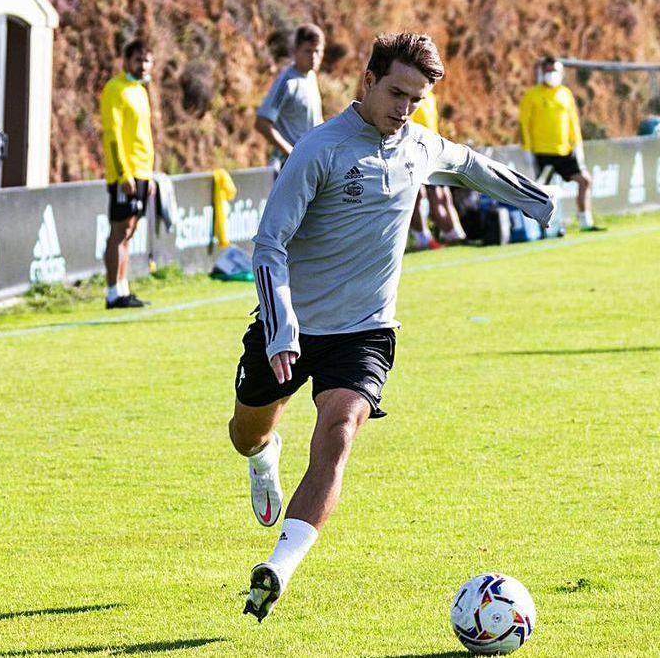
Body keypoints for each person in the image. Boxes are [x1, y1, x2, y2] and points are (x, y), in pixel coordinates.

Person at [230, 32, 556, 622]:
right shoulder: (319, 150)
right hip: (294, 326)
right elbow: (269, 244)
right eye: (397, 93)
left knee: (341, 428)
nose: (404, 109)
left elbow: (468, 165)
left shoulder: (417, 145)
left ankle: (278, 567)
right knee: (245, 432)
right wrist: (281, 328)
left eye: (416, 99)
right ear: (367, 82)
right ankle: (262, 455)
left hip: (365, 329)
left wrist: (536, 200)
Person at [100, 39, 156, 309]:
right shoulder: (115, 89)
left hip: (143, 172)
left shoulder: (141, 91)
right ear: (126, 60)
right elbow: (113, 134)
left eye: (147, 61)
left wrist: (150, 174)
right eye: (138, 60)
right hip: (127, 173)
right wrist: (124, 174)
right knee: (119, 231)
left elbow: (143, 136)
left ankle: (123, 288)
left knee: (130, 231)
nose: (143, 66)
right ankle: (112, 292)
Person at [519, 56, 600, 231]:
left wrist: (577, 146)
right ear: (542, 72)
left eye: (554, 70)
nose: (551, 74)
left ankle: (586, 221)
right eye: (548, 70)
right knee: (542, 192)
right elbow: (524, 124)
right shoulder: (532, 95)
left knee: (585, 180)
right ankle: (544, 229)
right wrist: (527, 151)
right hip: (542, 153)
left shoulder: (565, 94)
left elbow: (573, 122)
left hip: (564, 152)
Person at [255, 24, 325, 172]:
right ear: (295, 51)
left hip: (307, 164)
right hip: (286, 167)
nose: (313, 57)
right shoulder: (287, 82)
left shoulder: (311, 77)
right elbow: (262, 122)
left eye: (317, 51)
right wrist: (291, 153)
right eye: (307, 51)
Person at [408, 89, 468, 247]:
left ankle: (455, 233)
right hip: (414, 152)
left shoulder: (431, 97)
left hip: (433, 151)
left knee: (443, 195)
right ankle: (422, 238)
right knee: (418, 196)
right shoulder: (410, 95)